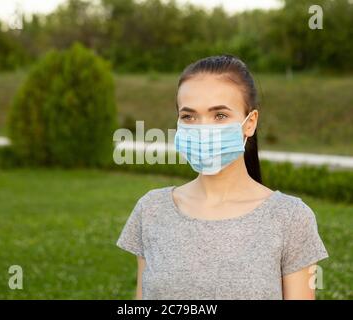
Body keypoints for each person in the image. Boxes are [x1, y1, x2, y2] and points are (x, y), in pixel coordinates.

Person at [116, 54, 329, 300]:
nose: (202, 129)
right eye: (189, 116)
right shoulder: (151, 210)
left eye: (219, 116)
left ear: (250, 123)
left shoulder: (291, 218)